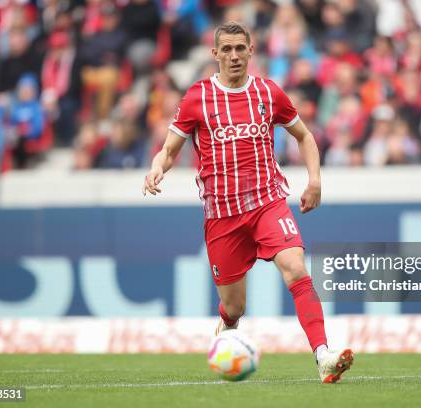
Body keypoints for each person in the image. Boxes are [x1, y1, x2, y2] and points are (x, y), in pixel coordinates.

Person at [142, 21, 353, 383]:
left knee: (295, 267)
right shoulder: (198, 98)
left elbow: (304, 136)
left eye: (241, 48)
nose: (234, 55)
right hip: (222, 216)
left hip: (267, 203)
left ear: (251, 51)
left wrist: (315, 180)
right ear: (215, 54)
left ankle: (323, 355)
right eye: (227, 49)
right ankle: (225, 326)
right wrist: (155, 168)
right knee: (235, 306)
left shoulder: (269, 93)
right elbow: (169, 149)